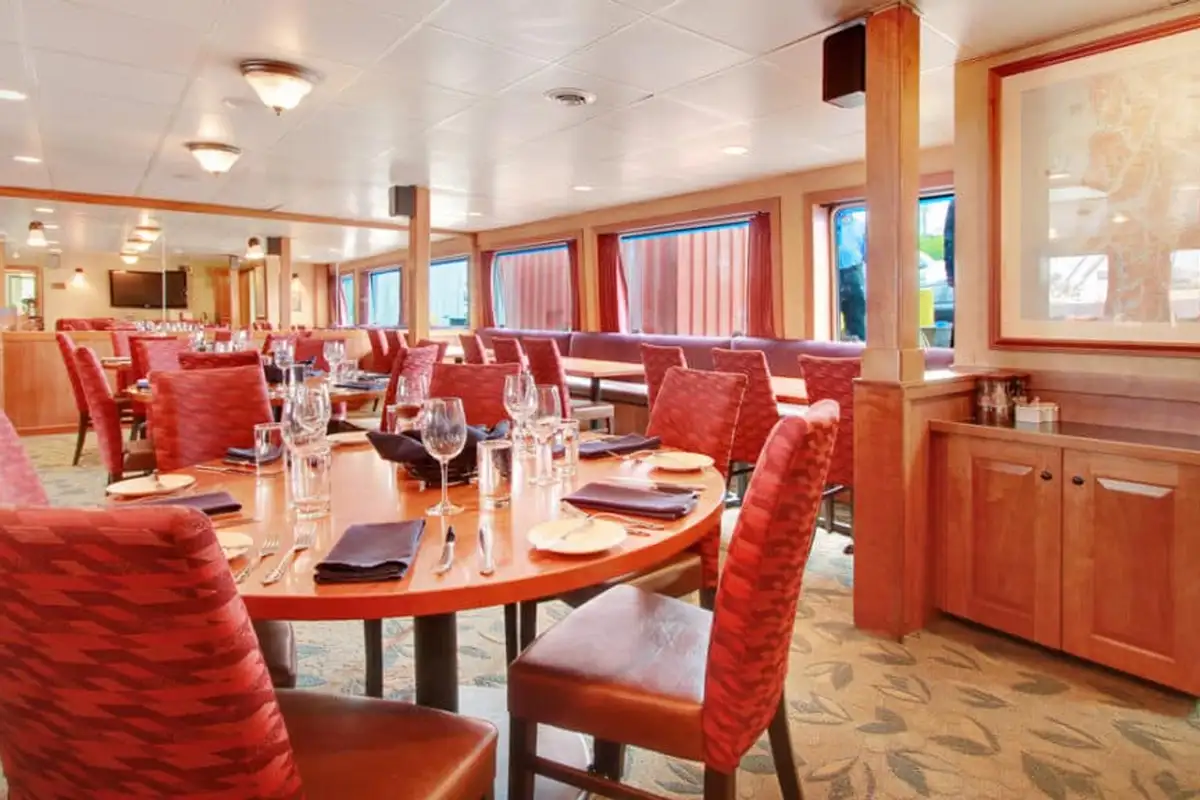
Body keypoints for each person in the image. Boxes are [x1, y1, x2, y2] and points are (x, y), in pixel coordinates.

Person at [837, 213, 867, 342]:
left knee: (856, 311)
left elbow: (866, 254)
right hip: (830, 270)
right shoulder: (830, 222)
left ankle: (858, 343)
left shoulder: (860, 225)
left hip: (853, 271)